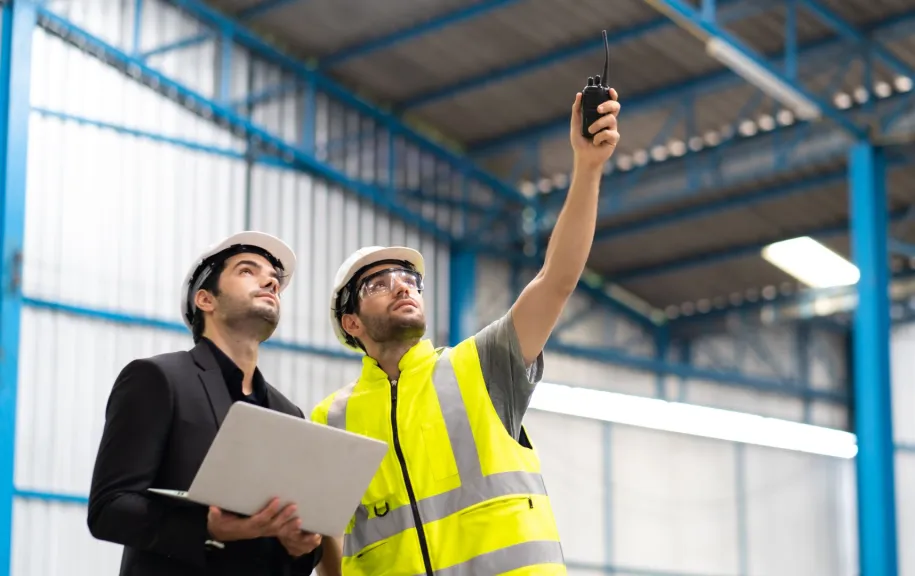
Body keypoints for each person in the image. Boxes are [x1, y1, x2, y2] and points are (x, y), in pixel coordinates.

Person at [310, 89, 622, 575]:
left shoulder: (481, 365)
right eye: (378, 283)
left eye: (409, 279)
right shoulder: (330, 420)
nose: (402, 287)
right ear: (351, 323)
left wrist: (588, 167)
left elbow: (556, 279)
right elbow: (326, 542)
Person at [87, 231, 324, 576]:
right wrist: (208, 529)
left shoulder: (289, 413)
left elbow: (290, 550)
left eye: (274, 279)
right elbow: (109, 508)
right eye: (247, 270)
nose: (270, 282)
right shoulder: (157, 379)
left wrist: (301, 547)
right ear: (205, 299)